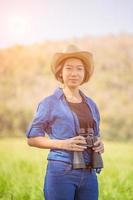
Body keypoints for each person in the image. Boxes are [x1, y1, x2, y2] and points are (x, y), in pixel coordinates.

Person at [26, 44, 104, 200]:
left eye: (79, 69)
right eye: (69, 68)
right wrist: (62, 144)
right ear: (60, 72)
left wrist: (100, 144)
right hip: (61, 171)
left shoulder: (92, 104)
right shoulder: (49, 103)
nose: (74, 73)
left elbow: (97, 134)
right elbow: (32, 138)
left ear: (85, 73)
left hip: (89, 173)